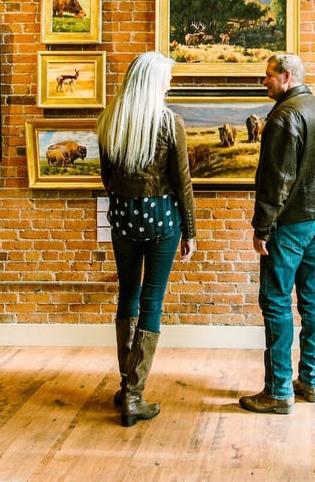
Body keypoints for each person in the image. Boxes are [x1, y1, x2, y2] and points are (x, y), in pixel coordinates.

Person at [96, 51, 197, 427]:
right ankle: (135, 395)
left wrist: (126, 201)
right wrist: (191, 231)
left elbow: (106, 178)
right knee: (152, 299)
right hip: (162, 220)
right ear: (154, 82)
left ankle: (126, 386)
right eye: (167, 78)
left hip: (123, 217)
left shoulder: (109, 121)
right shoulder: (170, 123)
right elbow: (182, 182)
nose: (170, 84)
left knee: (128, 294)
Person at [239, 53, 315, 415]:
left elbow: (276, 179)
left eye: (267, 76)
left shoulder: (284, 116)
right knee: (312, 299)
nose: (263, 82)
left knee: (277, 301)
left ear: (285, 77)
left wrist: (261, 227)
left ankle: (279, 390)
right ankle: (310, 381)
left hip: (288, 224)